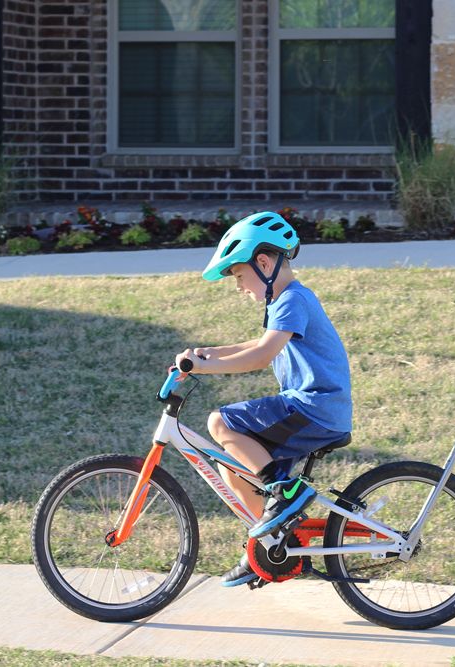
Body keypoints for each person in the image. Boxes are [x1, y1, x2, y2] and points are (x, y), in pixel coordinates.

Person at [176, 211, 352, 588]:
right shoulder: (283, 302)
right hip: (308, 409)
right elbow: (256, 344)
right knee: (232, 466)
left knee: (219, 423)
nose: (239, 286)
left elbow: (261, 356)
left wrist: (204, 368)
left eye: (239, 276)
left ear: (264, 263)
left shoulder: (292, 299)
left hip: (314, 407)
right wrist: (207, 353)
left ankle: (285, 492)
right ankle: (270, 546)